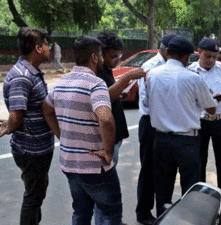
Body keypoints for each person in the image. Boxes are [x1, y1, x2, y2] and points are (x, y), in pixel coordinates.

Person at [41, 36, 135, 224]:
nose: (102, 59)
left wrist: (63, 137)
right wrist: (108, 152)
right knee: (111, 213)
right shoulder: (95, 84)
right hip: (94, 166)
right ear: (94, 57)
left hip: (70, 163)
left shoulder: (62, 82)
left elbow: (46, 109)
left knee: (81, 213)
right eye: (101, 55)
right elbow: (106, 119)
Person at [143, 35, 217, 217]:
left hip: (160, 139)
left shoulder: (152, 75)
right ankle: (187, 221)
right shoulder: (193, 78)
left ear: (167, 52)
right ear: (187, 57)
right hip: (186, 142)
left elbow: (146, 103)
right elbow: (211, 108)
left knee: (162, 187)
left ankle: (163, 218)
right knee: (190, 188)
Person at [0, 27, 54, 225]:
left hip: (39, 147)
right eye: (46, 45)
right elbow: (16, 117)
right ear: (38, 48)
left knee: (37, 192)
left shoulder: (32, 72)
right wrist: (9, 126)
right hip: (31, 150)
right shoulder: (23, 76)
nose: (50, 49)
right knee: (33, 198)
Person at [96, 31, 145, 225]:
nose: (117, 60)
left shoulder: (105, 70)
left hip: (115, 138)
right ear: (99, 54)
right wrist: (127, 78)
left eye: (119, 56)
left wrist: (120, 94)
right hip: (105, 140)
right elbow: (102, 97)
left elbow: (108, 95)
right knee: (106, 190)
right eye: (113, 56)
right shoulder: (96, 72)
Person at [188, 37, 221, 213]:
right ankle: (198, 199)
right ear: (199, 52)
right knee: (198, 162)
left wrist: (220, 96)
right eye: (207, 55)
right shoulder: (191, 71)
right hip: (200, 122)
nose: (210, 60)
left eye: (214, 56)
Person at [135, 33, 177, 225]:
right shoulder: (151, 67)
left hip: (166, 123)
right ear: (167, 51)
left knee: (165, 170)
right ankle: (143, 212)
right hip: (151, 123)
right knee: (149, 169)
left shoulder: (172, 65)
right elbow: (147, 100)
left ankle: (163, 210)